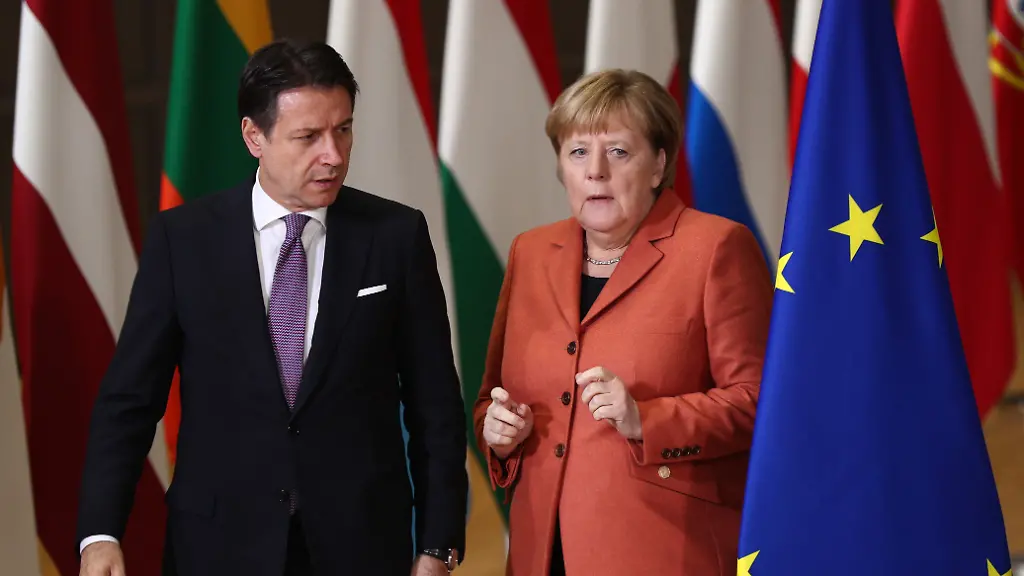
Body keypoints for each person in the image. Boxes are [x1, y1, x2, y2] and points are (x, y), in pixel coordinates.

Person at [76, 38, 467, 576]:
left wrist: (438, 544)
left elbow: (435, 406)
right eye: (308, 136)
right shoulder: (183, 240)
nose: (334, 155)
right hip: (217, 547)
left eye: (343, 129)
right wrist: (100, 533)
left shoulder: (396, 236)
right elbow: (130, 401)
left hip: (361, 545)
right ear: (253, 136)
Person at [475, 69, 774, 575]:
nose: (596, 171)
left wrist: (646, 420)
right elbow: (490, 399)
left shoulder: (715, 248)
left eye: (617, 151)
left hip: (662, 551)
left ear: (658, 164)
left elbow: (760, 401)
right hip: (539, 554)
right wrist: (500, 433)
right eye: (578, 152)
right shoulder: (531, 252)